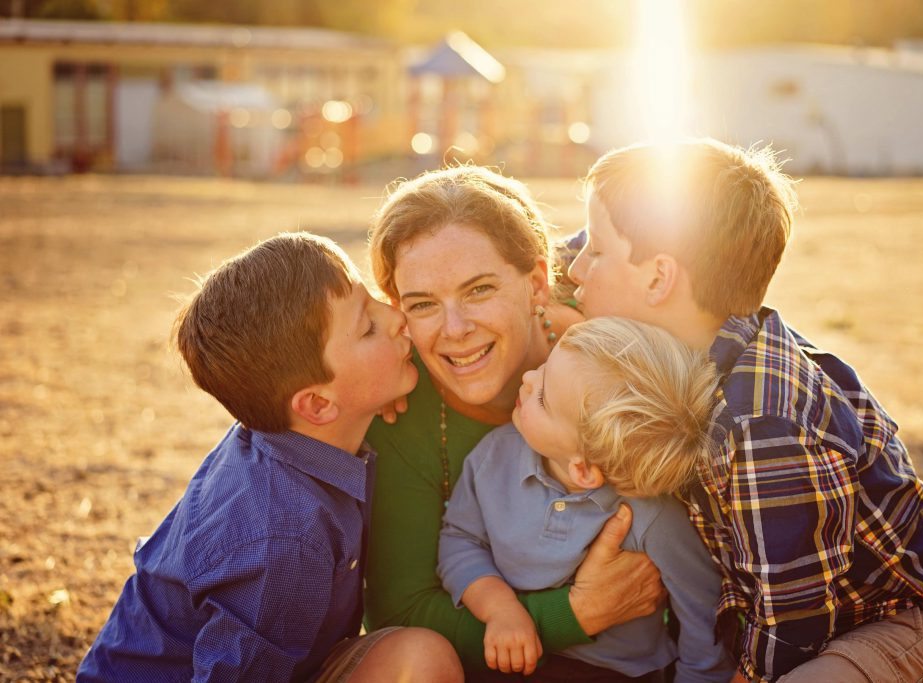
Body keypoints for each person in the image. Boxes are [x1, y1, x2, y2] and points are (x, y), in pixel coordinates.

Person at [567, 139, 923, 682]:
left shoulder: (761, 427)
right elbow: (567, 260)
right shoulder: (706, 329)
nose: (575, 268)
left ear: (658, 278)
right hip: (799, 615)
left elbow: (792, 630)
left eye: (594, 252)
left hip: (906, 624)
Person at [78, 233, 462, 682]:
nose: (396, 316)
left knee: (415, 653)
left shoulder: (295, 431)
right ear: (317, 405)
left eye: (372, 300)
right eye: (367, 327)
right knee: (418, 664)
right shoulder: (282, 538)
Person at [364, 166, 667, 675]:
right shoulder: (395, 406)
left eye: (479, 289)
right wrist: (572, 614)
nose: (455, 330)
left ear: (537, 282)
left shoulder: (617, 348)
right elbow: (401, 611)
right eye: (423, 304)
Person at [438, 317, 735, 682]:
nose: (529, 378)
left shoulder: (652, 517)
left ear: (582, 471)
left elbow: (702, 611)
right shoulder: (493, 457)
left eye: (544, 397)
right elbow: (460, 541)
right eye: (545, 367)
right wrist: (500, 610)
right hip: (514, 661)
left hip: (620, 672)